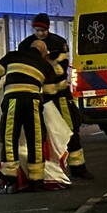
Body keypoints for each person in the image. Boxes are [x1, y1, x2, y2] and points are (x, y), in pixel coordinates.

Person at [19, 14, 91, 179]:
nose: (40, 33)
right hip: (38, 96)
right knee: (37, 133)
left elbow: (61, 69)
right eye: (37, 30)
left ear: (48, 28)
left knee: (70, 129)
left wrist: (49, 64)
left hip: (60, 96)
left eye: (43, 30)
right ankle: (41, 172)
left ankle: (78, 167)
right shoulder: (25, 45)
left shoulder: (58, 43)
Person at [0, 39, 58, 193]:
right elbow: (50, 92)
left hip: (12, 101)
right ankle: (36, 181)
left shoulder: (12, 56)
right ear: (43, 52)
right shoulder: (45, 65)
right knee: (35, 140)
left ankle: (11, 181)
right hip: (33, 102)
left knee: (10, 140)